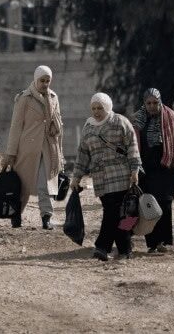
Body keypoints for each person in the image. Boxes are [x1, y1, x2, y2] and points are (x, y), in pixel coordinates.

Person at [70, 93, 140, 261]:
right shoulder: (88, 127)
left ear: (107, 107)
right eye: (93, 108)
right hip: (100, 179)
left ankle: (102, 246)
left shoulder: (120, 122)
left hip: (120, 175)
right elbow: (82, 155)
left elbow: (132, 146)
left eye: (100, 108)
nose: (96, 112)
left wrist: (135, 169)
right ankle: (125, 249)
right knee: (118, 215)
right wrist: (76, 177)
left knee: (113, 212)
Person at [133, 89, 174, 252]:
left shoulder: (172, 118)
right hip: (146, 169)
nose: (152, 106)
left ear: (160, 102)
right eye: (148, 103)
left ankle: (163, 241)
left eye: (155, 103)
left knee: (165, 204)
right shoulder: (138, 120)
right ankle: (153, 243)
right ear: (144, 103)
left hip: (167, 168)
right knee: (149, 205)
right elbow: (131, 144)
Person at [3, 66, 64, 229]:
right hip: (27, 150)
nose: (45, 84)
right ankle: (16, 215)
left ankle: (46, 217)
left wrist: (60, 153)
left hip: (48, 148)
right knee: (23, 185)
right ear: (35, 80)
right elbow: (16, 127)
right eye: (42, 81)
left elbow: (59, 127)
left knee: (45, 184)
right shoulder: (24, 98)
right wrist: (11, 152)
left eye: (48, 81)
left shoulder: (53, 97)